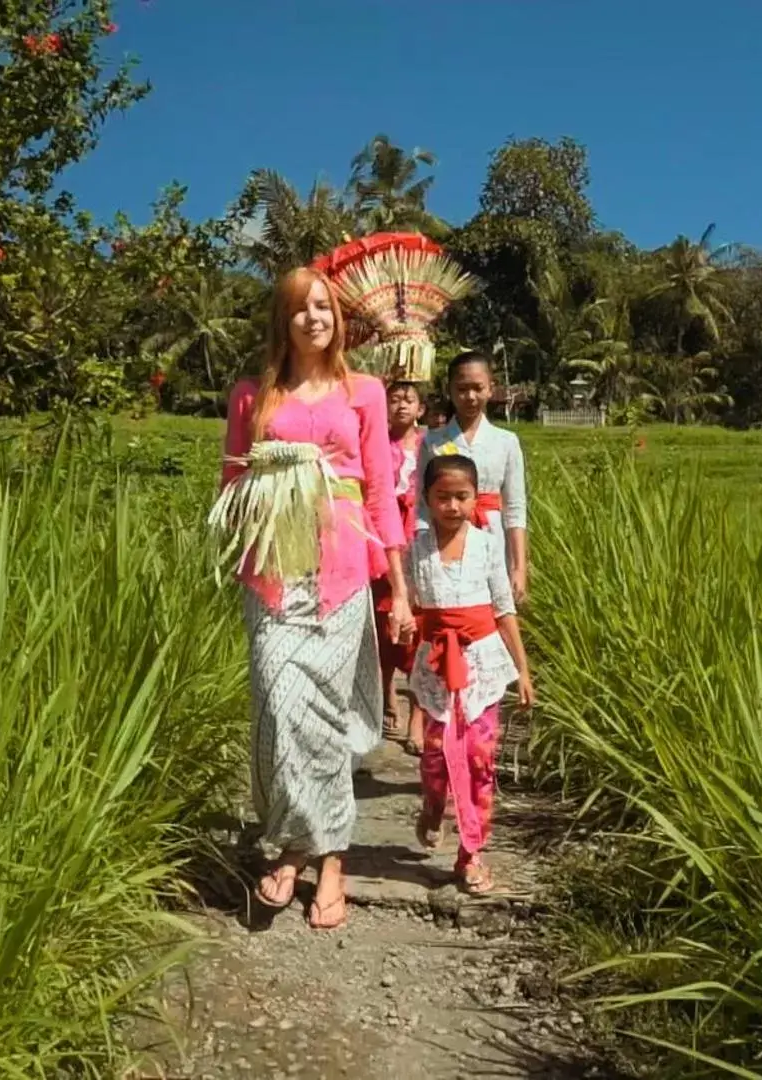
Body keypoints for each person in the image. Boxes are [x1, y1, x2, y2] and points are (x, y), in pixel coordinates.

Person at [221, 266, 413, 931]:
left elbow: (382, 490)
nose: (314, 318)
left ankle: (328, 856)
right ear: (284, 321)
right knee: (277, 709)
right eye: (300, 309)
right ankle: (291, 841)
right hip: (273, 571)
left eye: (324, 306)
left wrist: (400, 586)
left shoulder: (363, 392)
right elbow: (230, 484)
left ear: (338, 318)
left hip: (339, 573)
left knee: (325, 721)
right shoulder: (251, 396)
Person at [407, 453, 534, 894]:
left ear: (474, 498)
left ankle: (471, 851)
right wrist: (403, 620)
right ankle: (432, 802)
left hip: (481, 664)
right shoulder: (416, 549)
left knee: (480, 757)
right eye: (443, 497)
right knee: (436, 755)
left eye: (462, 497)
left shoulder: (485, 544)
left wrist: (522, 670)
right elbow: (409, 606)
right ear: (426, 499)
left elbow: (503, 608)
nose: (453, 506)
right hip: (438, 666)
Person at [418, 351, 530, 604]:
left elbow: (515, 508)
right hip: (444, 539)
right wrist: (421, 555)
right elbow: (422, 507)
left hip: (493, 537)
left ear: (491, 389)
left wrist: (518, 567)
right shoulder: (433, 442)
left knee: (494, 611)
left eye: (477, 388)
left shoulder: (506, 442)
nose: (470, 396)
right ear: (450, 390)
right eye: (462, 389)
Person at [374, 381, 427, 755]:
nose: (402, 406)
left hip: (418, 545)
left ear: (421, 409)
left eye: (409, 400)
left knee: (420, 631)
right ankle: (386, 693)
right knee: (382, 624)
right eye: (394, 399)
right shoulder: (376, 445)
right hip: (381, 545)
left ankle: (417, 718)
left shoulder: (430, 446)